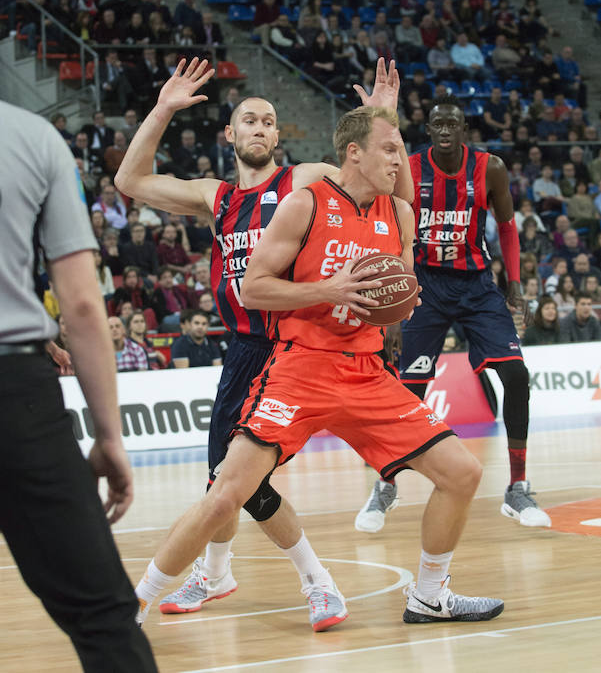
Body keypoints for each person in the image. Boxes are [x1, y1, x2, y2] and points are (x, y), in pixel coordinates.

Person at [134, 105, 504, 628]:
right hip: (300, 366)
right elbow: (252, 286)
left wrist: (401, 302)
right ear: (354, 154)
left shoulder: (399, 215)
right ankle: (136, 603)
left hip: (368, 370)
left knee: (463, 473)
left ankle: (428, 595)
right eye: (390, 151)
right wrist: (326, 290)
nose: (403, 162)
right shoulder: (303, 204)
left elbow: (397, 291)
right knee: (225, 497)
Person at [116, 55, 414, 628]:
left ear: (278, 135)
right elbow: (129, 182)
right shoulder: (216, 197)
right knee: (225, 483)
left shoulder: (302, 180)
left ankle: (314, 583)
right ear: (230, 134)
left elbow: (372, 175)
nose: (259, 128)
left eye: (269, 121)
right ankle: (219, 571)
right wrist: (162, 109)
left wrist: (380, 118)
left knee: (235, 486)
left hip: (294, 346)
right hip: (243, 351)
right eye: (249, 120)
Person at [0, 100, 157, 672]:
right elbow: (84, 306)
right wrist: (108, 435)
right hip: (14, 391)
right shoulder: (33, 138)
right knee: (103, 617)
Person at [355, 96, 552, 534]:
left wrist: (514, 283)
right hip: (425, 284)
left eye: (453, 124)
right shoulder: (410, 168)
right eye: (438, 123)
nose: (445, 130)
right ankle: (386, 485)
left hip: (476, 284)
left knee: (517, 375)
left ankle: (517, 487)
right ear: (428, 130)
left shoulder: (490, 168)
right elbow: (392, 229)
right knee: (407, 390)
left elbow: (505, 226)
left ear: (464, 130)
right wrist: (393, 303)